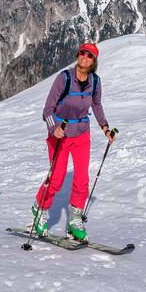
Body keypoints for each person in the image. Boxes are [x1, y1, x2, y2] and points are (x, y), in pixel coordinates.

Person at [32, 42, 114, 241]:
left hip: (82, 132)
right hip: (60, 133)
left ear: (94, 61)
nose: (85, 57)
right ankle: (40, 209)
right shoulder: (64, 78)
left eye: (90, 55)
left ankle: (74, 220)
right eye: (82, 53)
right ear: (78, 55)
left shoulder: (95, 81)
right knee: (57, 178)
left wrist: (105, 127)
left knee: (82, 179)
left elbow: (96, 104)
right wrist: (54, 128)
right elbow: (47, 110)